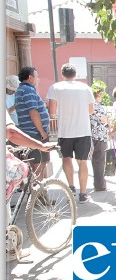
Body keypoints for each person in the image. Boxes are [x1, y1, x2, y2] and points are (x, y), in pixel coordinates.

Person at [47, 63, 95, 204]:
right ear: (76, 74)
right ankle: (83, 194)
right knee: (83, 162)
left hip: (64, 130)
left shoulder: (55, 88)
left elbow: (52, 111)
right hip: (83, 130)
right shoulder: (85, 88)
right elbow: (91, 110)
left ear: (63, 74)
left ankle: (71, 188)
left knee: (66, 159)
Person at [14, 66, 51, 183]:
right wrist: (42, 131)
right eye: (37, 76)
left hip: (28, 131)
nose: (38, 79)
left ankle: (38, 195)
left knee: (35, 164)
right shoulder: (28, 90)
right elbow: (33, 111)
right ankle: (39, 196)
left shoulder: (21, 90)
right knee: (39, 164)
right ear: (30, 77)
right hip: (34, 132)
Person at [89, 91, 109, 192]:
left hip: (92, 135)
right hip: (99, 136)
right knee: (99, 161)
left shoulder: (89, 105)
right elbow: (104, 119)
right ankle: (100, 184)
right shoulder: (97, 106)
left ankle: (98, 182)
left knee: (95, 161)